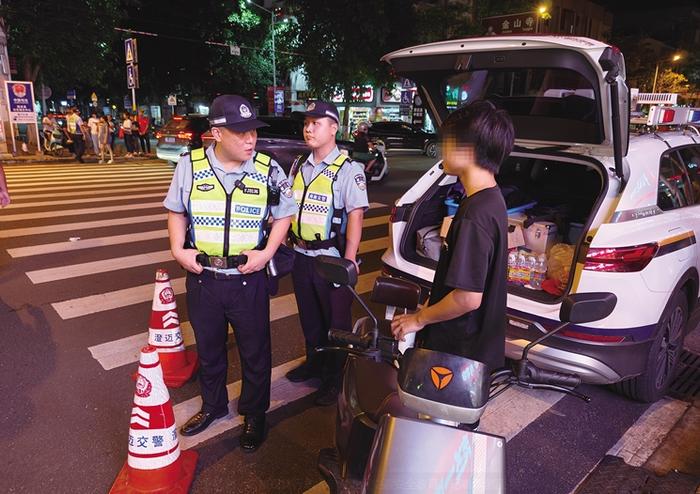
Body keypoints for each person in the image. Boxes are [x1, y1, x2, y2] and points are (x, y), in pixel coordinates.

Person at [163, 94, 297, 451]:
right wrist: (178, 250)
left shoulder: (268, 169)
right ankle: (213, 406)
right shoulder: (189, 166)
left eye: (253, 131)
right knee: (209, 348)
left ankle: (255, 413)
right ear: (217, 133)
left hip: (247, 279)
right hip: (204, 277)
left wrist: (267, 252)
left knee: (255, 351)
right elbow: (176, 211)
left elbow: (285, 213)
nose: (250, 139)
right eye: (241, 132)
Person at [391, 101, 515, 374]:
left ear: (467, 148)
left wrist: (419, 319)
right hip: (473, 350)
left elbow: (467, 298)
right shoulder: (491, 199)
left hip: (459, 354)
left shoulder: (475, 214)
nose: (442, 149)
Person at [284, 101, 369, 406]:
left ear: (333, 128)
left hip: (331, 259)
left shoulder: (348, 170)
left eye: (316, 123)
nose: (308, 128)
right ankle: (314, 363)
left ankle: (335, 377)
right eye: (306, 122)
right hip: (301, 256)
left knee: (337, 323)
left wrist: (349, 262)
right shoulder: (298, 165)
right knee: (310, 318)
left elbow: (356, 216)